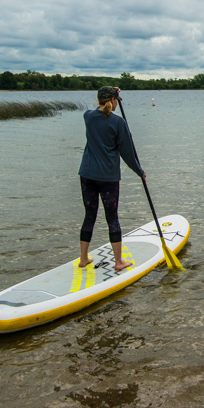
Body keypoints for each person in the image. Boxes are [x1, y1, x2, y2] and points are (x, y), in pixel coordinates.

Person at [77, 86, 145, 271]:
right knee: (112, 218)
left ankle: (83, 259)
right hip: (108, 177)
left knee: (89, 215)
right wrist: (139, 171)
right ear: (113, 101)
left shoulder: (88, 117)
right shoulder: (118, 123)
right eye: (116, 101)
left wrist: (111, 91)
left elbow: (95, 112)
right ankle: (118, 262)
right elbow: (127, 152)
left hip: (87, 175)